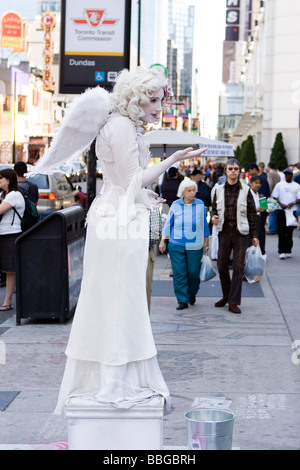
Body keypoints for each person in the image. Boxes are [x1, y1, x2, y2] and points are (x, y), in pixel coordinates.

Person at [34, 67, 208, 416]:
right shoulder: (122, 126)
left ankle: (112, 377)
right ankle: (114, 380)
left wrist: (146, 198)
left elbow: (128, 184)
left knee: (114, 298)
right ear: (138, 99)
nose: (159, 107)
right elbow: (134, 179)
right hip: (119, 223)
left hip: (115, 216)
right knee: (119, 300)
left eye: (161, 100)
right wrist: (172, 160)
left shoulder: (116, 124)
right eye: (154, 100)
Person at [211, 159, 259, 314]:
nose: (233, 171)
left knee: (238, 267)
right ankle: (226, 296)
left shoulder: (246, 190)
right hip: (224, 231)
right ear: (225, 171)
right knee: (221, 266)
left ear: (240, 172)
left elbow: (252, 213)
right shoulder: (218, 189)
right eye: (230, 168)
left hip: (240, 232)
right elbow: (214, 210)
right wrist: (213, 217)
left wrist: (254, 235)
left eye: (235, 168)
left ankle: (233, 301)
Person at [159, 179, 210, 310]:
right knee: (179, 273)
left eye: (194, 190)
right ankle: (182, 300)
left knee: (193, 272)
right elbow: (168, 224)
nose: (192, 193)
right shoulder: (175, 205)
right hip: (176, 243)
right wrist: (163, 240)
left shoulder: (200, 204)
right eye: (189, 191)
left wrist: (206, 241)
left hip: (195, 244)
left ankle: (192, 294)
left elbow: (204, 224)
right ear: (183, 192)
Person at [0, 169, 25, 311]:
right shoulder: (4, 195)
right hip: (3, 235)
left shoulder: (14, 195)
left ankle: (7, 301)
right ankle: (7, 301)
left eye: (0, 178)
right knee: (7, 269)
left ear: (8, 179)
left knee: (10, 269)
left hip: (11, 234)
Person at [271, 168, 300, 259]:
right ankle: (281, 251)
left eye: (289, 174)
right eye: (286, 174)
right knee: (281, 231)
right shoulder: (279, 185)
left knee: (289, 232)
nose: (287, 176)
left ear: (291, 175)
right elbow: (274, 196)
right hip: (282, 210)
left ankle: (288, 250)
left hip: (292, 211)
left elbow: (299, 198)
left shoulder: (297, 186)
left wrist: (293, 203)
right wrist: (280, 204)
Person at [245, 162, 270, 255]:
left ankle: (259, 253)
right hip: (250, 218)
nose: (258, 185)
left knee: (259, 236)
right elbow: (244, 208)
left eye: (259, 183)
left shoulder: (258, 193)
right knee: (250, 239)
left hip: (258, 218)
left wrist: (266, 209)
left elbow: (263, 202)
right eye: (256, 183)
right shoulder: (248, 193)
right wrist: (256, 210)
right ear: (250, 183)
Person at [266, 161, 280, 234]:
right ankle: (275, 228)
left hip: (272, 195)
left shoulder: (270, 174)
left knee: (271, 213)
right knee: (275, 213)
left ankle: (272, 230)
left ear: (268, 167)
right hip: (277, 195)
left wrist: (268, 193)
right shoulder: (277, 174)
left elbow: (270, 184)